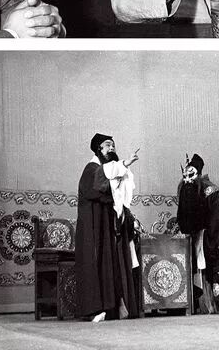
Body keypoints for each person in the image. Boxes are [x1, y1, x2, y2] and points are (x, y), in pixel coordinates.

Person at [75, 133, 140, 322]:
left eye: (113, 145)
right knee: (96, 263)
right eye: (107, 145)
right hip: (94, 228)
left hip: (107, 226)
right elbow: (99, 186)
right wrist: (124, 164)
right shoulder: (92, 169)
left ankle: (112, 308)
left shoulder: (105, 170)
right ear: (98, 149)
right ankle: (95, 309)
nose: (111, 148)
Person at [177, 153, 219, 315]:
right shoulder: (184, 189)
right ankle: (189, 303)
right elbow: (182, 216)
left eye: (191, 175)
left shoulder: (210, 189)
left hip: (211, 234)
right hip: (192, 236)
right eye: (185, 176)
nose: (188, 179)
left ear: (199, 174)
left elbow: (216, 217)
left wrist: (210, 238)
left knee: (217, 260)